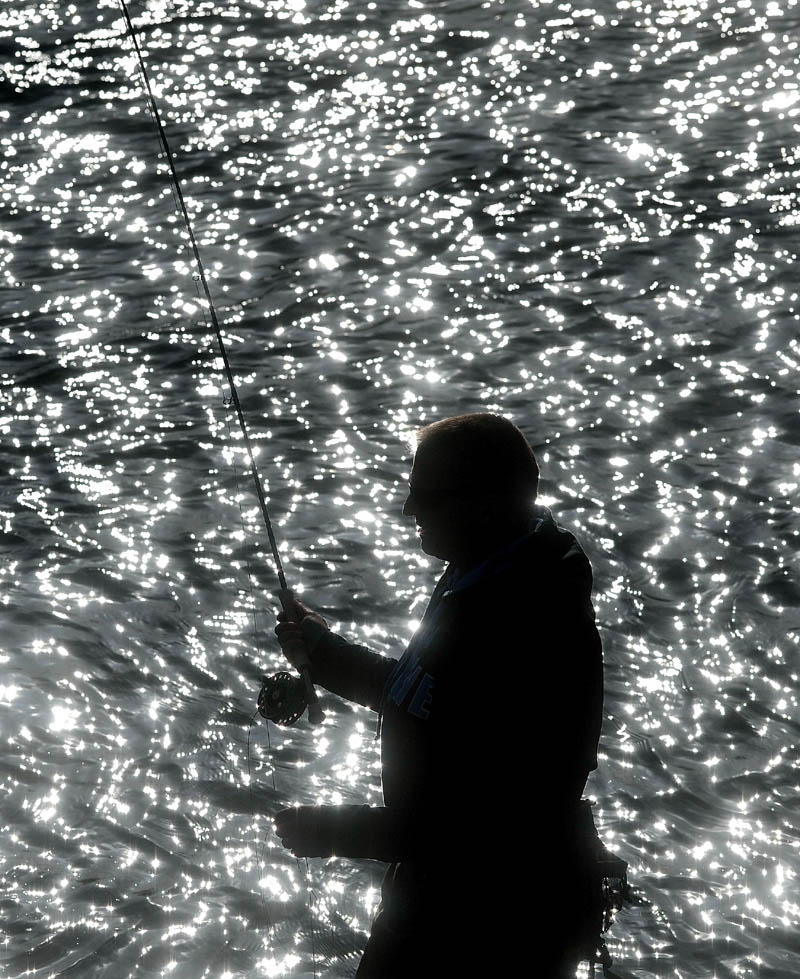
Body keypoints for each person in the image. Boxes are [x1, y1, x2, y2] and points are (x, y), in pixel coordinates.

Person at [273, 412, 605, 976]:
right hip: (435, 892)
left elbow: (488, 830)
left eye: (427, 497)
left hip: (494, 920)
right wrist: (324, 654)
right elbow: (426, 697)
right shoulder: (480, 574)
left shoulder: (527, 625)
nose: (409, 510)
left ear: (485, 502)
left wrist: (337, 830)